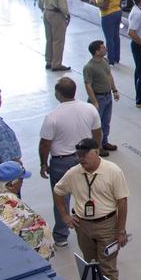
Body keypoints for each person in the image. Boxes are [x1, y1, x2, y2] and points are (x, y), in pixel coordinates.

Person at [51, 137, 129, 280]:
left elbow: (122, 202)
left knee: (108, 268)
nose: (81, 159)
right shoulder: (73, 173)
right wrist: (65, 216)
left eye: (85, 155)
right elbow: (58, 191)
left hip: (107, 226)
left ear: (96, 152)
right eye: (78, 155)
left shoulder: (113, 171)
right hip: (83, 226)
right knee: (91, 264)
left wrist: (121, 230)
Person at [38, 77, 103, 248]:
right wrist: (95, 152)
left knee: (61, 197)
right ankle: (94, 229)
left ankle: (61, 235)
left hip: (61, 162)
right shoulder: (89, 109)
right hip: (86, 158)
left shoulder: (52, 116)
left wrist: (43, 163)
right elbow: (97, 132)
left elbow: (45, 143)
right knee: (90, 194)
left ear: (58, 94)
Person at [0, 161, 55, 260]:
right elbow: (8, 237)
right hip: (31, 258)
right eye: (21, 180)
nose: (22, 183)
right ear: (10, 185)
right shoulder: (7, 205)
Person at [83, 41, 120, 154]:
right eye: (103, 48)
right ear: (97, 51)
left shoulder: (104, 61)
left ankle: (104, 142)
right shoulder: (89, 67)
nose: (105, 49)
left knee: (105, 122)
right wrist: (94, 101)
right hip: (99, 98)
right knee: (96, 125)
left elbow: (109, 75)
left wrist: (114, 90)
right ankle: (97, 147)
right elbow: (88, 85)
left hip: (107, 96)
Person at [38, 0, 71, 71]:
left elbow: (40, 2)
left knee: (49, 39)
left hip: (46, 12)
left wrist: (43, 10)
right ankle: (56, 64)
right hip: (57, 15)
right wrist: (67, 14)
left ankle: (49, 61)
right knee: (58, 40)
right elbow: (62, 4)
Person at [95, 0, 122, 65]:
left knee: (109, 38)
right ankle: (117, 57)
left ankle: (110, 58)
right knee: (116, 36)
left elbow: (105, 7)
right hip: (118, 13)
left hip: (108, 15)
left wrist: (94, 3)